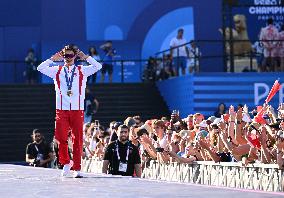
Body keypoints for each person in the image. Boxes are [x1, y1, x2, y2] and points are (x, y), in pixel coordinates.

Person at [37, 44, 102, 178]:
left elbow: (98, 67)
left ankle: (77, 167)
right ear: (62, 56)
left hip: (77, 110)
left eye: (71, 55)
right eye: (65, 55)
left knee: (77, 139)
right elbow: (40, 68)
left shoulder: (81, 70)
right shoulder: (57, 70)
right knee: (60, 138)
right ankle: (66, 163)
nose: (68, 58)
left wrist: (86, 57)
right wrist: (52, 59)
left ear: (75, 56)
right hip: (61, 110)